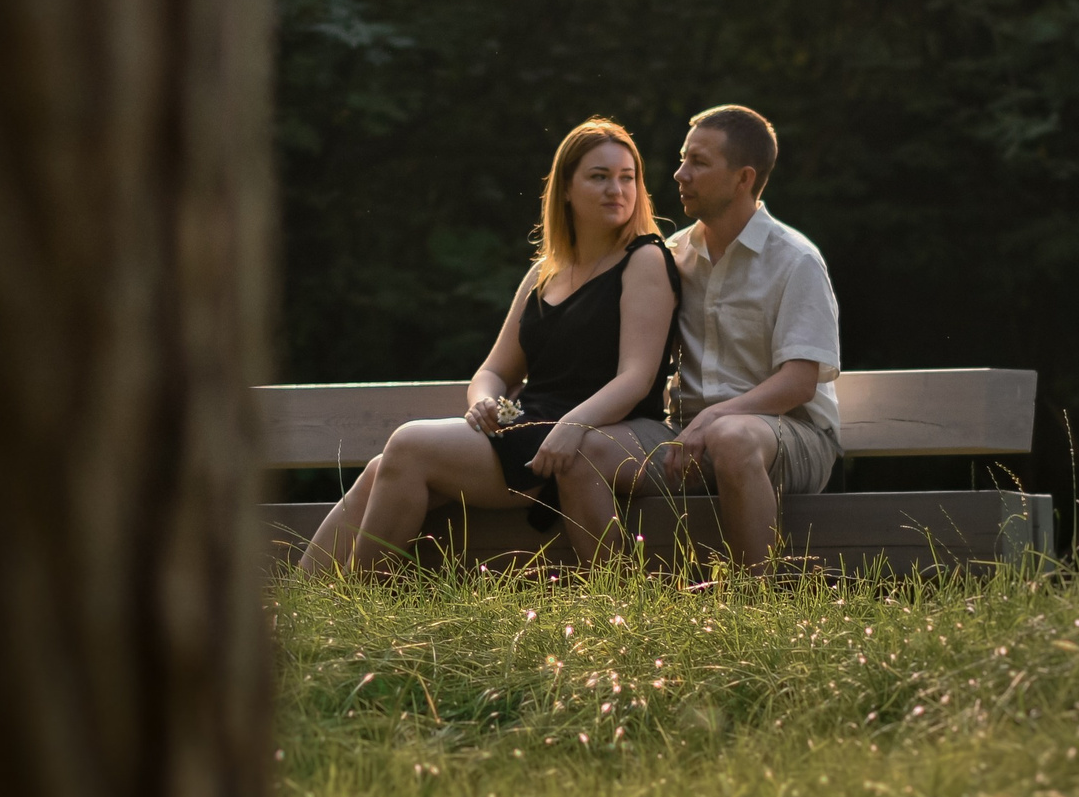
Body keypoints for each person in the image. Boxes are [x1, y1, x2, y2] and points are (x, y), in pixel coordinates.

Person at [298, 117, 682, 573]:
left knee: (408, 444)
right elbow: (494, 371)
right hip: (529, 424)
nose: (615, 190)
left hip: (597, 434)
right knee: (386, 465)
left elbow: (636, 378)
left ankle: (348, 604)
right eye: (598, 177)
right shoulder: (545, 273)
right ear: (565, 188)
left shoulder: (645, 259)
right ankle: (304, 604)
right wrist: (483, 403)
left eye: (627, 177)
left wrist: (574, 424)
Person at [657, 104, 843, 564]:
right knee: (594, 449)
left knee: (733, 438)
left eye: (698, 162)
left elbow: (799, 383)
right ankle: (613, 603)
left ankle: (753, 609)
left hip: (792, 435)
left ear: (743, 178)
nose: (680, 173)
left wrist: (712, 418)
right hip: (686, 435)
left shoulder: (795, 260)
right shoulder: (671, 255)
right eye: (683, 159)